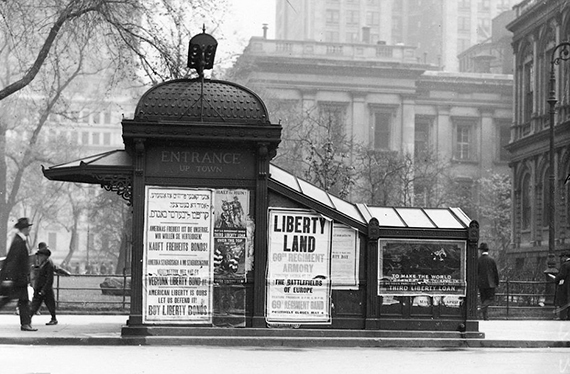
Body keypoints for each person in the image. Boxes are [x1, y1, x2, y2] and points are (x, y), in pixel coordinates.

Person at [0, 217, 37, 331]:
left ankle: (25, 324)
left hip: (19, 278)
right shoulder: (18, 242)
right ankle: (25, 324)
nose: (29, 230)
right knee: (8, 299)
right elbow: (12, 261)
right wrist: (8, 278)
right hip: (16, 279)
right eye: (28, 228)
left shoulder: (20, 241)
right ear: (25, 229)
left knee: (23, 300)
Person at [30, 243, 58, 325]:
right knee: (36, 304)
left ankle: (27, 320)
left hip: (45, 289)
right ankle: (28, 320)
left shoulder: (49, 264)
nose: (39, 257)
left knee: (46, 304)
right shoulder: (43, 263)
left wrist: (44, 289)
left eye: (40, 255)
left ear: (45, 256)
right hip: (40, 288)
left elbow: (50, 279)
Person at [477, 242, 499, 321]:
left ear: (481, 251)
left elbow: (476, 272)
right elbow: (495, 272)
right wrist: (497, 282)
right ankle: (480, 311)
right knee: (491, 299)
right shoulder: (491, 260)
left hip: (481, 283)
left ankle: (485, 317)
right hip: (491, 283)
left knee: (483, 299)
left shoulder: (478, 260)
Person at [554, 252, 570, 320]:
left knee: (563, 301)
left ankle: (563, 317)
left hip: (566, 287)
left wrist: (556, 279)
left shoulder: (565, 265)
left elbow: (562, 275)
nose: (561, 259)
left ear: (565, 257)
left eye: (561, 257)